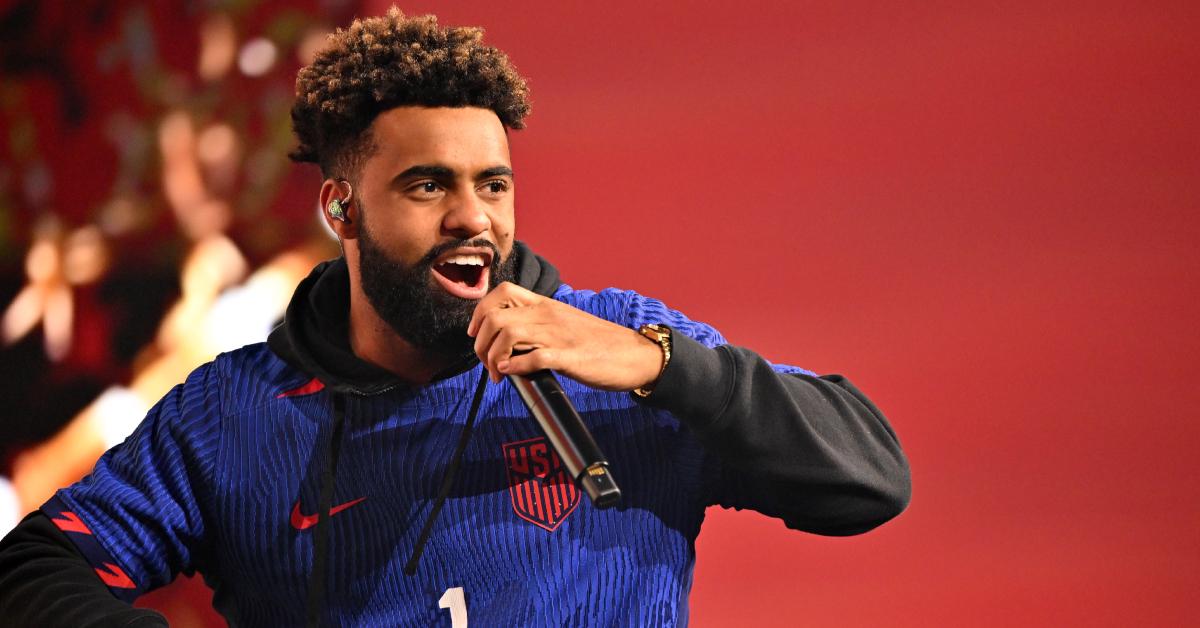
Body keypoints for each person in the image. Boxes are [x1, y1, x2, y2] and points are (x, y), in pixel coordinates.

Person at [0, 8, 910, 626]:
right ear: (341, 210)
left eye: (494, 184)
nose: (474, 217)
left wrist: (657, 363)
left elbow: (870, 480)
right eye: (428, 184)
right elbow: (37, 569)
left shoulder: (617, 353)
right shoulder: (234, 413)